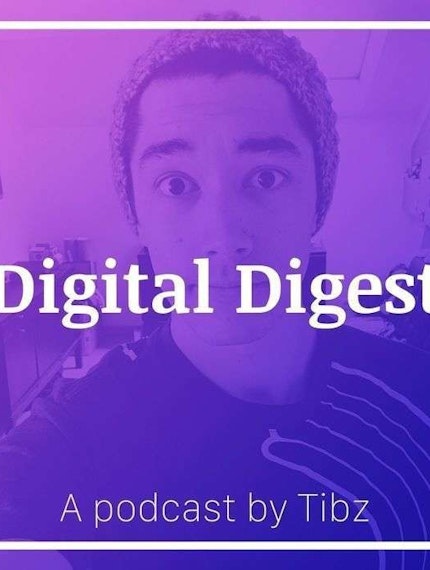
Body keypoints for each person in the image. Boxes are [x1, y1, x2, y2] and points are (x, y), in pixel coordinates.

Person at [1, 21, 430, 570]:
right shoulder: (74, 440)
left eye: (266, 177)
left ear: (318, 199)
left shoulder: (413, 390)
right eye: (176, 184)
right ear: (138, 215)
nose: (224, 236)